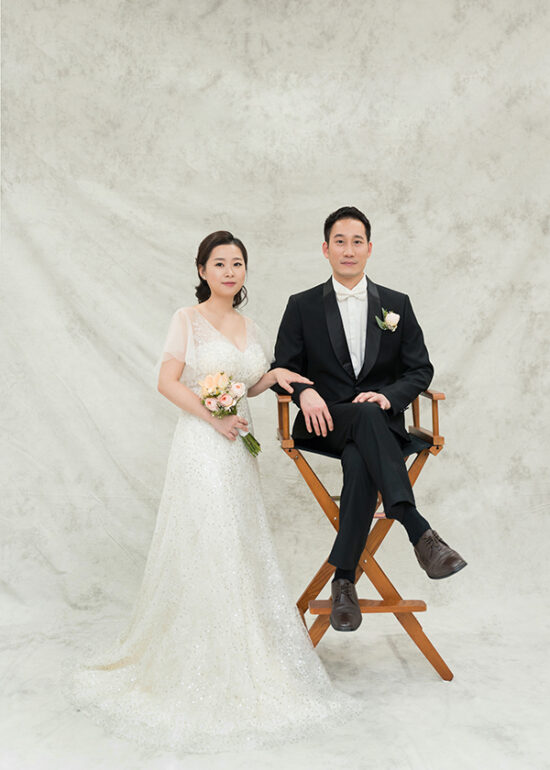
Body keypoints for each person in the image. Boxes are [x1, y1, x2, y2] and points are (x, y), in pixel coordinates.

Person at [70, 231, 356, 753]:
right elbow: (168, 381)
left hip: (238, 449)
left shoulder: (251, 325)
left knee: (238, 545)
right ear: (202, 269)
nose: (229, 271)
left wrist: (275, 375)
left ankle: (241, 650)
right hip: (203, 445)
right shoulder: (187, 318)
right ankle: (197, 661)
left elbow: (248, 384)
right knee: (208, 542)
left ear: (245, 271)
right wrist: (213, 416)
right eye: (219, 263)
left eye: (237, 263)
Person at [271, 206, 467, 634]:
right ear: (325, 249)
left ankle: (344, 582)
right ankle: (418, 530)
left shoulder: (397, 304)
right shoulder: (301, 305)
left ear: (370, 249)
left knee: (361, 459)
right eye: (339, 241)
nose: (348, 249)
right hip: (325, 423)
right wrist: (304, 392)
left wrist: (389, 396)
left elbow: (420, 369)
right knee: (361, 422)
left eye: (356, 241)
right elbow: (282, 368)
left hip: (378, 424)